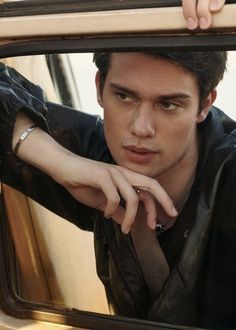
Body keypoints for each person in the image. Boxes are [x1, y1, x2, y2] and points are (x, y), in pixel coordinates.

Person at [1, 2, 234, 330]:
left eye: (168, 105)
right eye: (125, 97)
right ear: (99, 87)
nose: (141, 128)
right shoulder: (95, 158)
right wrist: (60, 162)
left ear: (204, 105)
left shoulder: (228, 176)